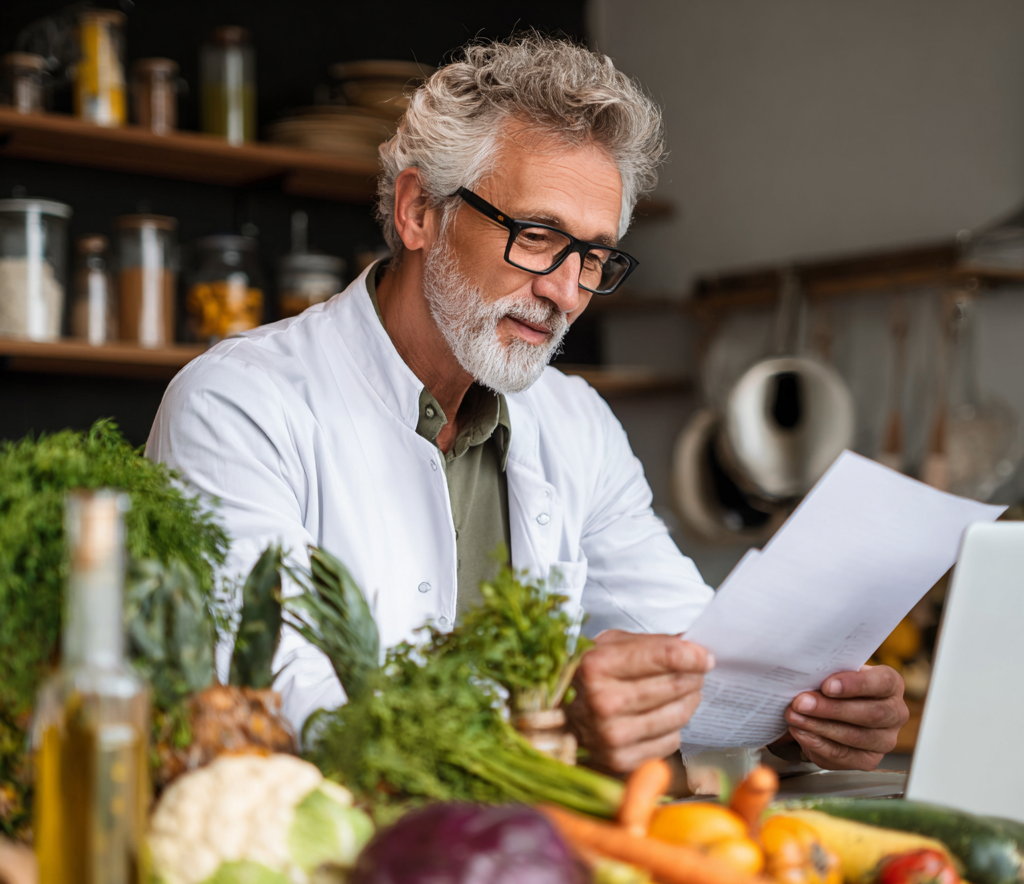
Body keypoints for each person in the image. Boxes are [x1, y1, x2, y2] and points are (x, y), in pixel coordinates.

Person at [147, 35, 908, 775]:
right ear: (419, 211)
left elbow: (691, 649)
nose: (567, 291)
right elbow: (264, 703)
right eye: (539, 236)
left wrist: (796, 714)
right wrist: (555, 727)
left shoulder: (575, 423)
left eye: (594, 255)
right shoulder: (237, 405)